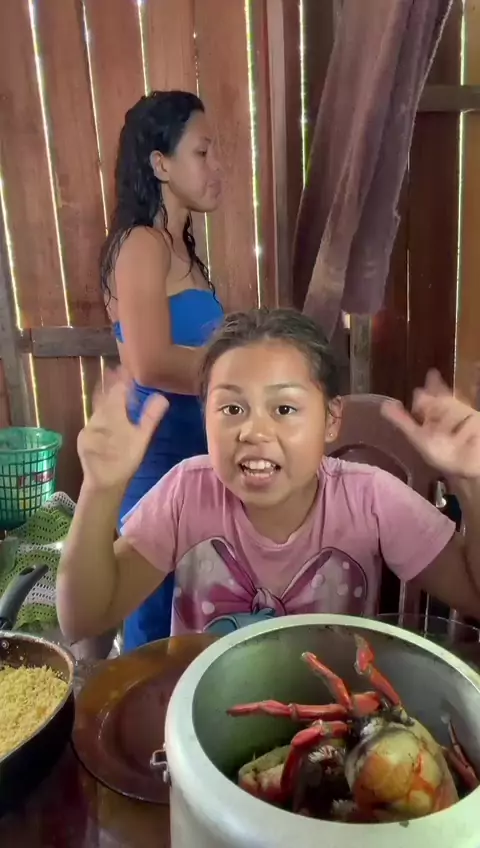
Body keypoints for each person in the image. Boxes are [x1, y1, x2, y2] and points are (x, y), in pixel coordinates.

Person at [57, 308, 480, 641]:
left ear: (331, 420)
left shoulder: (370, 500)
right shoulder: (186, 492)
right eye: (232, 408)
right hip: (204, 717)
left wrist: (473, 484)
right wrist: (100, 488)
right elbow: (82, 620)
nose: (253, 431)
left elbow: (474, 595)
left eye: (284, 408)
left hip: (333, 718)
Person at [99, 90, 224, 650]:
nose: (216, 166)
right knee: (155, 635)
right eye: (202, 151)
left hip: (196, 464)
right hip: (159, 474)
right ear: (160, 164)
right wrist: (244, 375)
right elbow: (149, 362)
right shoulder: (141, 246)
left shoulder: (182, 252)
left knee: (193, 626)